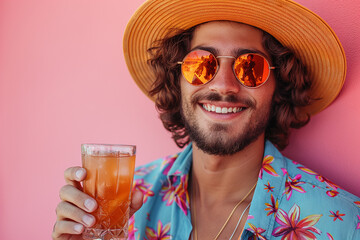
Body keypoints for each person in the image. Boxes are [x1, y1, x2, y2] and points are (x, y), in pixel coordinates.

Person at [52, 0, 360, 239]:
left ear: (278, 88)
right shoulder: (123, 209)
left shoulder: (343, 224)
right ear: (178, 81)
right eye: (201, 64)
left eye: (250, 66)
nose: (223, 85)